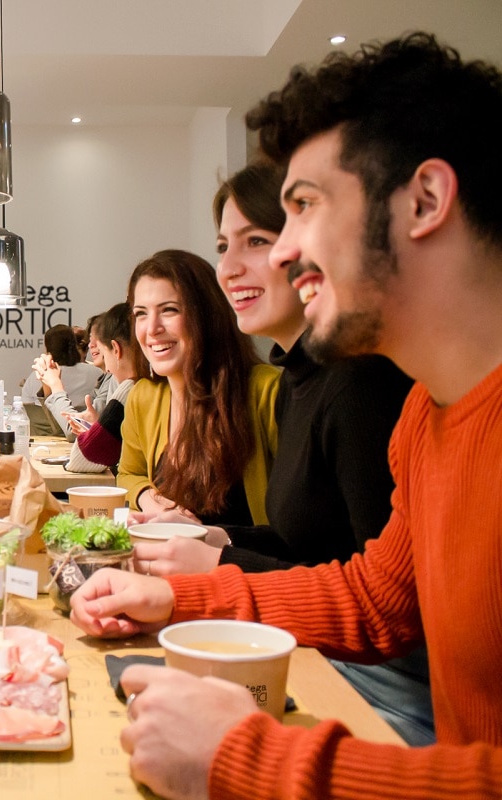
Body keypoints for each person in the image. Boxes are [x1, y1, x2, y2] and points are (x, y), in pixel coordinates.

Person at [71, 33, 502, 799]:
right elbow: (375, 597)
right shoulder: (427, 418)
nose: (286, 250)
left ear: (426, 201)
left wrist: (251, 759)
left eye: (303, 207)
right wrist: (179, 595)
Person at [135, 162, 431, 745]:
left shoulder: (356, 381)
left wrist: (217, 569)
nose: (229, 267)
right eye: (223, 246)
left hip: (382, 683)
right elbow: (311, 544)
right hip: (325, 645)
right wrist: (218, 542)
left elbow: (385, 604)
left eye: (258, 241)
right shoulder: (299, 377)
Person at [117, 250, 279, 525]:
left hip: (246, 565)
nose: (152, 328)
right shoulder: (144, 396)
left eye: (169, 310)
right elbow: (128, 473)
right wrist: (147, 497)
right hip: (168, 565)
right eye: (141, 314)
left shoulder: (266, 390)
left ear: (207, 315)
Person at [62, 303, 149, 471]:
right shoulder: (151, 385)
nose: (108, 369)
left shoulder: (129, 389)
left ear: (115, 349)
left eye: (103, 350)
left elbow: (83, 461)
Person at [23, 323, 102, 408]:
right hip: (86, 420)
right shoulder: (97, 373)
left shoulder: (37, 376)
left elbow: (26, 410)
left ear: (47, 349)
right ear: (74, 345)